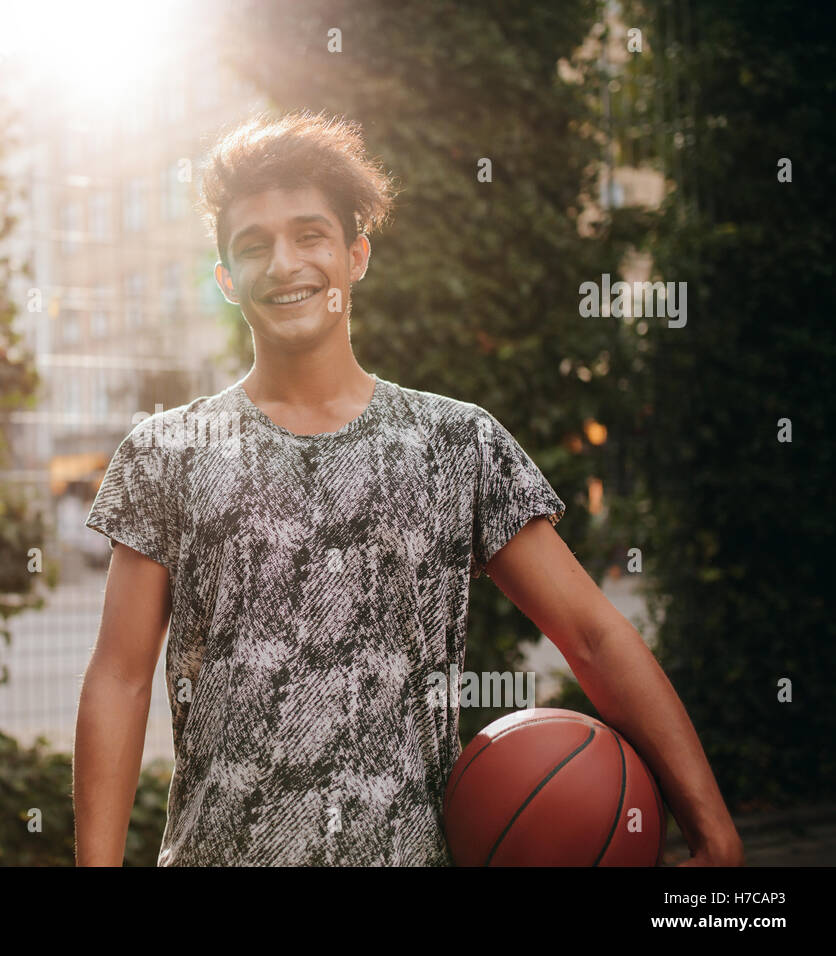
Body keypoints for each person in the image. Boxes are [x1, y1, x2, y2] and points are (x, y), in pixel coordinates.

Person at [72, 109, 744, 867]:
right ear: (227, 279)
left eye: (310, 235)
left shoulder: (458, 442)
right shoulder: (169, 451)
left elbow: (593, 637)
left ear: (356, 256)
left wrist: (713, 831)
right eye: (253, 246)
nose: (284, 262)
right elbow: (120, 678)